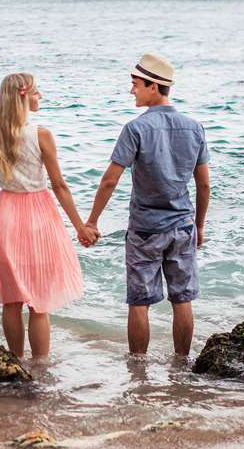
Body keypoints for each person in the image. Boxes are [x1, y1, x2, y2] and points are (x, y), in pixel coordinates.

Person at [84, 53, 210, 357]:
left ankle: (138, 369)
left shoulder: (135, 128)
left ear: (154, 87)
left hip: (145, 230)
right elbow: (204, 185)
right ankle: (181, 365)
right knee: (183, 300)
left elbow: (110, 180)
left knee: (139, 303)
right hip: (183, 227)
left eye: (136, 84)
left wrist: (92, 222)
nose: (132, 91)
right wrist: (200, 226)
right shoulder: (194, 128)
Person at [0, 73, 97, 359]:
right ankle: (41, 369)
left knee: (11, 300)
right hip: (37, 218)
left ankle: (15, 363)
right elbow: (59, 186)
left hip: (3, 219)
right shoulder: (41, 135)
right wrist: (80, 226)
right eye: (35, 92)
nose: (40, 96)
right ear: (22, 97)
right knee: (38, 303)